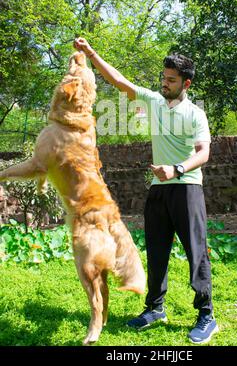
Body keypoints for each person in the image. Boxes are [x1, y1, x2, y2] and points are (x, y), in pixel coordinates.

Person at [73, 37, 219, 344]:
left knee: (196, 253)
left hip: (187, 189)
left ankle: (206, 315)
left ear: (186, 83)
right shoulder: (153, 102)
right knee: (156, 252)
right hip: (158, 191)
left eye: (171, 80)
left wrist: (177, 169)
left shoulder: (195, 114)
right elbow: (119, 80)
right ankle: (155, 308)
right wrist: (91, 53)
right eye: (163, 79)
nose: (164, 84)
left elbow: (203, 152)